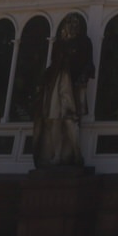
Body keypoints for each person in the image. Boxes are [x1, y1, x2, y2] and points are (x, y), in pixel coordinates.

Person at [32, 15, 95, 168]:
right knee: (54, 120)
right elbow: (53, 65)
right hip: (56, 83)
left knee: (70, 119)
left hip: (70, 85)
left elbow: (89, 64)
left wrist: (83, 76)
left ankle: (76, 154)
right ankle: (57, 155)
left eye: (75, 24)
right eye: (69, 23)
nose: (72, 27)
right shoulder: (59, 44)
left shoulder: (83, 42)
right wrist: (42, 80)